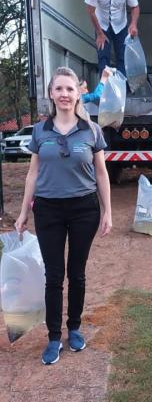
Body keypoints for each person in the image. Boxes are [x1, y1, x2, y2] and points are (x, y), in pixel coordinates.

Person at [15, 66, 112, 365]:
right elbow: (32, 174)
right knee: (54, 275)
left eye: (69, 89)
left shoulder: (92, 130)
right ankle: (54, 337)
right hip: (48, 210)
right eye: (59, 89)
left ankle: (75, 329)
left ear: (78, 93)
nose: (65, 94)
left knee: (77, 272)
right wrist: (22, 213)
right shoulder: (40, 130)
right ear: (51, 95)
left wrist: (107, 211)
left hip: (84, 209)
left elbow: (101, 173)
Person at [85, 0, 140, 76]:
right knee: (103, 57)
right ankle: (105, 87)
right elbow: (91, 11)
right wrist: (99, 33)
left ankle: (122, 88)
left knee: (123, 57)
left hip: (120, 25)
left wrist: (133, 24)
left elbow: (135, 7)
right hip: (101, 26)